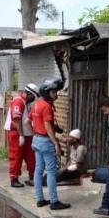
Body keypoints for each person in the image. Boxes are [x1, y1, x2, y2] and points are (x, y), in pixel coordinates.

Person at [29, 79, 70, 210]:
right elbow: (47, 127)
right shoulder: (46, 106)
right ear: (47, 92)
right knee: (52, 172)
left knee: (38, 170)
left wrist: (38, 132)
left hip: (36, 140)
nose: (56, 95)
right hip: (46, 141)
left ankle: (40, 199)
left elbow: (30, 120)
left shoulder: (36, 104)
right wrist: (56, 143)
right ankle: (54, 201)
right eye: (54, 92)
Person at [5, 83, 39, 188]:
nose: (33, 99)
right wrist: (21, 135)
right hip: (17, 133)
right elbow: (16, 119)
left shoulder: (26, 102)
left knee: (31, 157)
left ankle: (33, 177)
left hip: (27, 134)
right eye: (33, 97)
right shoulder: (18, 101)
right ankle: (14, 178)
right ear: (29, 94)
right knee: (16, 156)